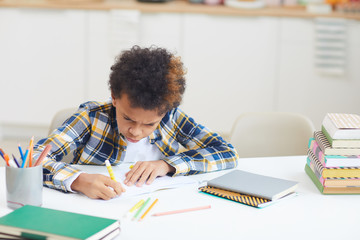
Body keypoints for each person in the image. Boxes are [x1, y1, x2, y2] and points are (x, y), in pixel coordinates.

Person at [33, 46, 239, 200]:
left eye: (150, 124)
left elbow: (227, 153)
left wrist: (167, 165)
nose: (136, 131)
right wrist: (77, 180)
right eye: (128, 118)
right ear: (114, 97)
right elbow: (33, 158)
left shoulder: (172, 117)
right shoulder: (91, 117)